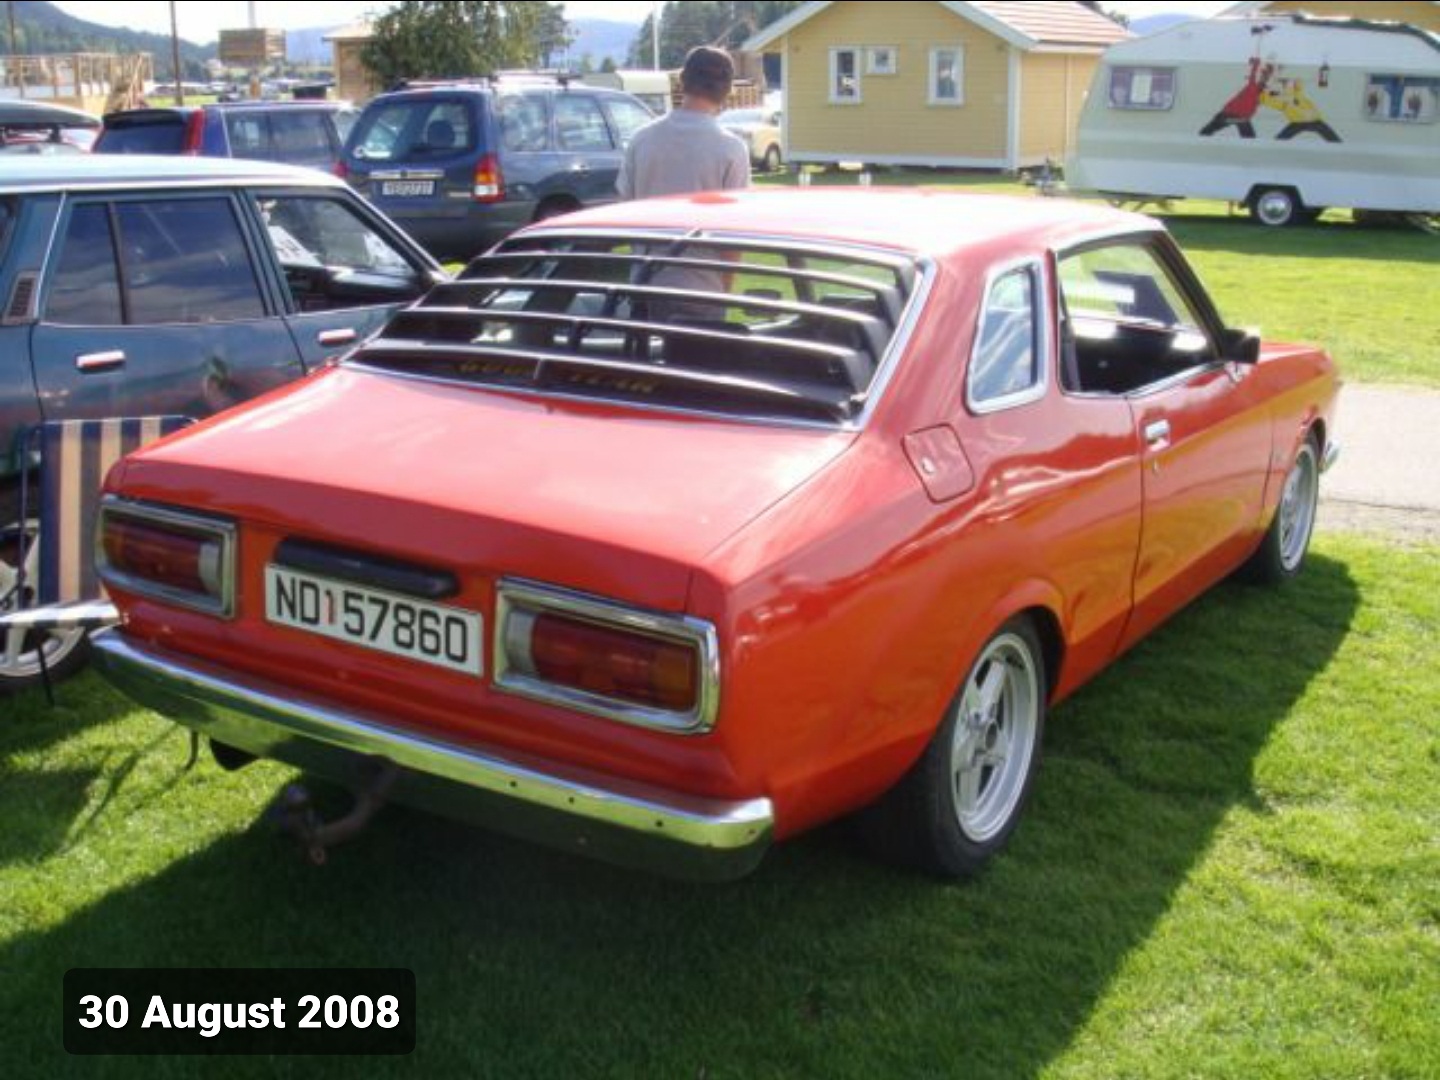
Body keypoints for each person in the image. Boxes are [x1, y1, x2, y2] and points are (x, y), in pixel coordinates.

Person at [616, 46, 751, 201]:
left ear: (681, 80)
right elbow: (734, 214)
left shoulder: (641, 139)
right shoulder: (732, 149)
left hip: (647, 225)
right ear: (728, 90)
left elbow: (624, 201)